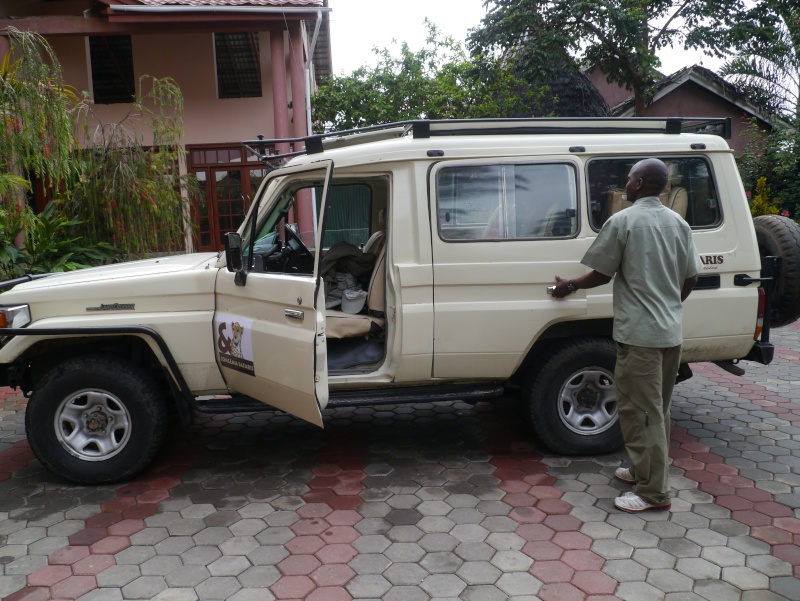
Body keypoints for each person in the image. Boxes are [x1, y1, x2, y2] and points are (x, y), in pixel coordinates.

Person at [551, 158, 701, 513]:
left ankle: (654, 493)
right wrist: (668, 305)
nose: (627, 182)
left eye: (630, 177)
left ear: (638, 184)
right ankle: (640, 470)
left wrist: (568, 286)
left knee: (641, 413)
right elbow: (691, 277)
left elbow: (602, 272)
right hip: (668, 332)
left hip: (640, 337)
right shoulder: (678, 223)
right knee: (657, 410)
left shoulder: (624, 221)